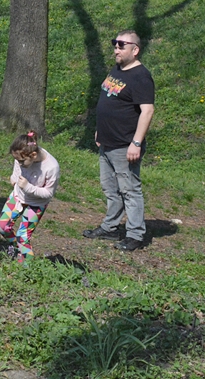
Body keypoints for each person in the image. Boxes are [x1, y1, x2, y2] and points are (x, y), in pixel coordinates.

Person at [82, 30, 154, 252]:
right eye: (115, 44)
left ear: (135, 49)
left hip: (125, 145)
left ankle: (135, 235)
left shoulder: (141, 76)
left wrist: (136, 142)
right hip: (107, 142)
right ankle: (110, 227)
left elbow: (147, 110)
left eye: (122, 45)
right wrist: (99, 130)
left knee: (130, 190)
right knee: (110, 188)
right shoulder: (117, 69)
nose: (116, 49)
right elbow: (110, 100)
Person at [0, 131, 60, 264]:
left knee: (22, 236)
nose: (19, 163)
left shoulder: (51, 167)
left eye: (22, 161)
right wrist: (14, 177)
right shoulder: (22, 156)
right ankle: (15, 249)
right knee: (2, 226)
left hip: (36, 203)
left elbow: (48, 194)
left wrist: (28, 187)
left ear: (33, 155)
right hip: (18, 196)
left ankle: (27, 266)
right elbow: (17, 167)